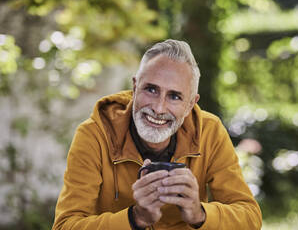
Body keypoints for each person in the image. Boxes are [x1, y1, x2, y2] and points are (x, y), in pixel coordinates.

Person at [52, 39, 262, 230]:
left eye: (174, 96)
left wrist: (199, 214)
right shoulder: (95, 135)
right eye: (151, 90)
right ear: (135, 87)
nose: (159, 108)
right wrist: (136, 218)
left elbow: (250, 219)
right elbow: (65, 226)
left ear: (190, 105)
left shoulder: (209, 131)